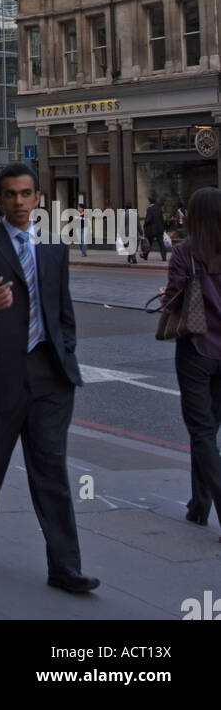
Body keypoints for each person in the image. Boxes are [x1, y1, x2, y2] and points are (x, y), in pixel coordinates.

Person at [0, 161, 98, 594]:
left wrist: (66, 354)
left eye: (27, 193)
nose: (20, 202)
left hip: (49, 376)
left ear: (38, 198)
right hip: (0, 376)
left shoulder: (54, 248)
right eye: (11, 194)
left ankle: (65, 567)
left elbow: (63, 313)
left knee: (51, 469)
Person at [162, 187, 221, 533]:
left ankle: (211, 503)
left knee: (201, 433)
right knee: (210, 430)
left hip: (196, 351)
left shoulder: (185, 252)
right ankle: (200, 505)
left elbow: (172, 302)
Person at [142, 196, 167, 261]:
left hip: (152, 229)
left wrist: (145, 224)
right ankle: (164, 257)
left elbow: (149, 219)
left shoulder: (149, 209)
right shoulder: (159, 208)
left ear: (150, 201)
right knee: (161, 243)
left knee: (149, 243)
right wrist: (163, 227)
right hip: (159, 228)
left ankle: (145, 255)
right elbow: (162, 219)